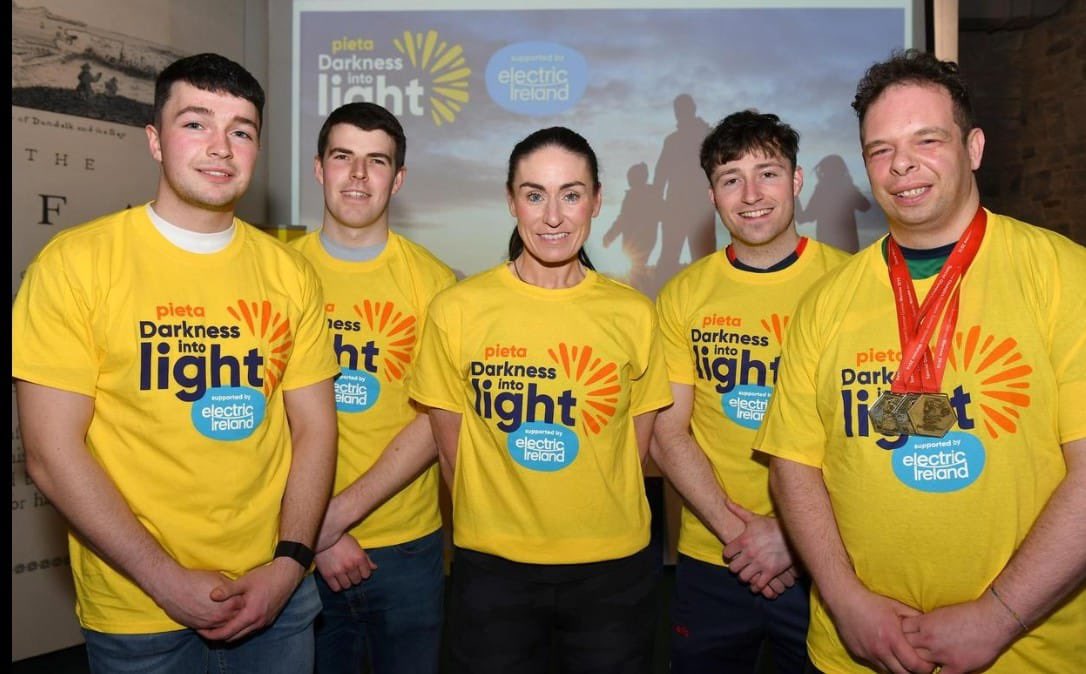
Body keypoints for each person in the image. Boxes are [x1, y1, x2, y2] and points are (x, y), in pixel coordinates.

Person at [758, 49, 1086, 674]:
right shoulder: (826, 301)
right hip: (854, 651)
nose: (901, 164)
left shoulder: (1066, 277)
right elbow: (794, 468)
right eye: (880, 149)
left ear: (975, 148)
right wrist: (847, 603)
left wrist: (998, 616)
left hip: (1027, 649)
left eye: (926, 139)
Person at [12, 53, 339, 673]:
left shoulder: (290, 273)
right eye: (197, 124)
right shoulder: (76, 264)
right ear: (155, 141)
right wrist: (164, 580)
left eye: (241, 130)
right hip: (139, 610)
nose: (221, 147)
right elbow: (52, 453)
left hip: (279, 598)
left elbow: (316, 428)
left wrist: (290, 563)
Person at [409, 126, 673, 674]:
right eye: (534, 195)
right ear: (511, 201)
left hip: (613, 575)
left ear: (597, 201)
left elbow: (633, 449)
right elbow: (454, 453)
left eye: (571, 194)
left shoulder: (634, 314)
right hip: (492, 574)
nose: (553, 216)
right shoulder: (457, 310)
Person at [652, 110, 849, 673]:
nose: (751, 194)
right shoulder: (684, 294)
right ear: (712, 195)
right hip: (715, 555)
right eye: (730, 178)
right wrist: (741, 533)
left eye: (767, 172)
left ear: (797, 180)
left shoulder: (850, 286)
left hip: (826, 558)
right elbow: (669, 435)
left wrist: (793, 537)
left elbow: (861, 438)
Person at [292, 101, 454, 674]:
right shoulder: (275, 274)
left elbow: (438, 418)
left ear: (398, 178)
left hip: (406, 546)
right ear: (318, 168)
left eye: (376, 161)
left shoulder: (437, 286)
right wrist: (314, 530)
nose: (358, 176)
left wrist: (334, 518)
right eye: (343, 157)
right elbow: (260, 420)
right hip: (289, 544)